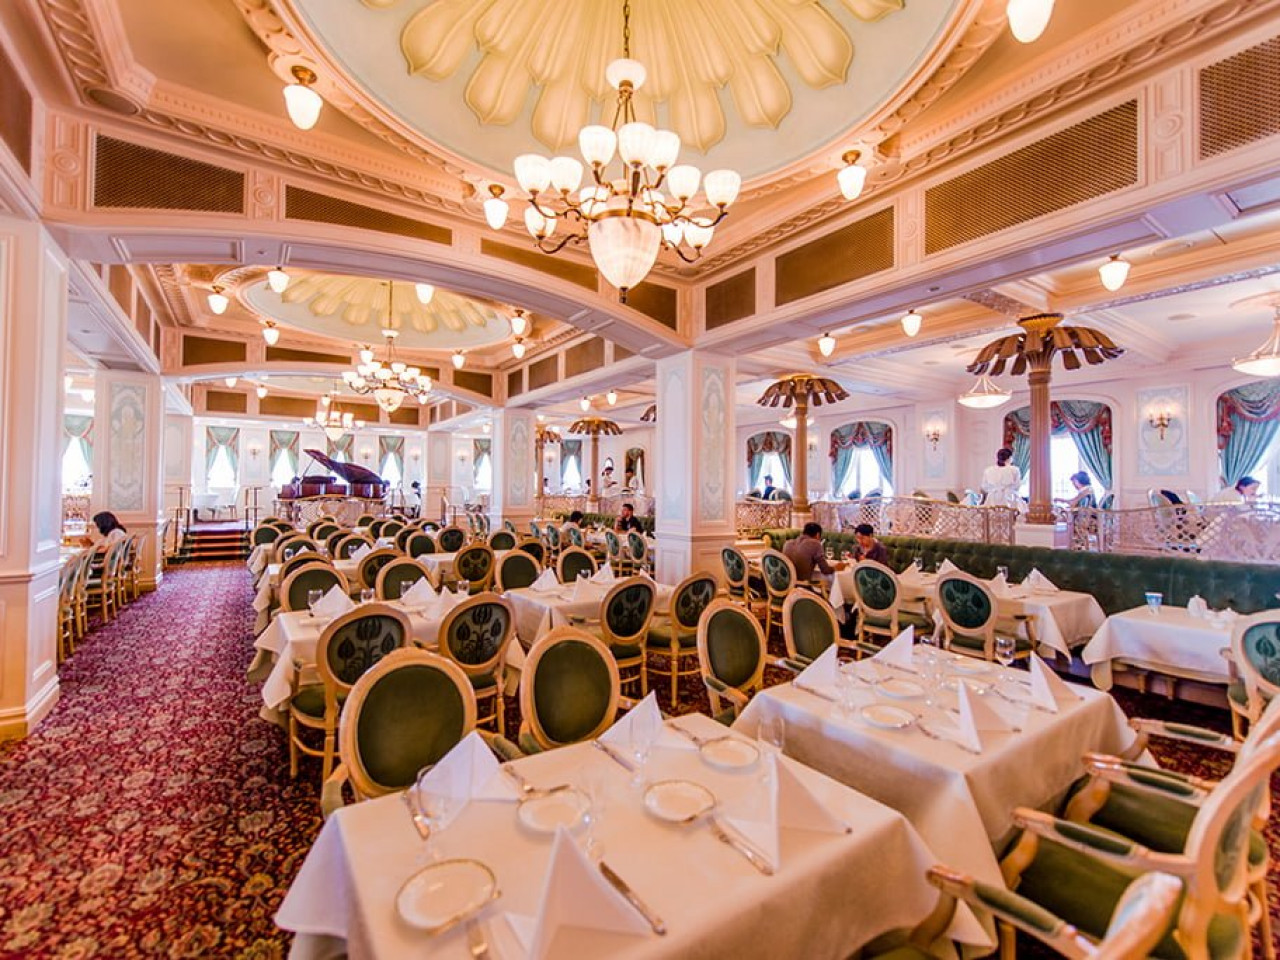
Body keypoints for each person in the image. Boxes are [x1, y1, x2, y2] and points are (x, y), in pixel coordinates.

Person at [783, 521, 847, 585]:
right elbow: (825, 570)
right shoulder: (815, 544)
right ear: (817, 535)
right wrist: (836, 568)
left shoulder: (787, 543)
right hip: (803, 585)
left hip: (786, 585)